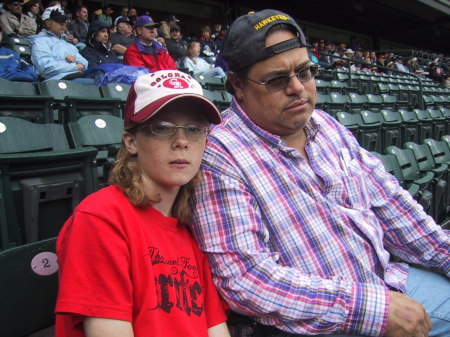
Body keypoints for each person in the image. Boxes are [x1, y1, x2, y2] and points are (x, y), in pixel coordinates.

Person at [190, 9, 450, 337]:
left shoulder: (326, 125)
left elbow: (391, 203)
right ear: (238, 86)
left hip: (388, 281)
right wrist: (373, 310)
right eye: (277, 80)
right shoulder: (220, 155)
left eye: (305, 71)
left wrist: (446, 254)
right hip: (318, 324)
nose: (298, 88)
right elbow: (246, 279)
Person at [55, 69, 231, 337]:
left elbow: (215, 329)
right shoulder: (101, 218)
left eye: (194, 129)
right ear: (131, 141)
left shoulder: (192, 226)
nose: (182, 141)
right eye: (162, 128)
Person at [31, 5, 90, 82]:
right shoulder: (40, 41)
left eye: (64, 21)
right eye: (59, 21)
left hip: (75, 77)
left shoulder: (67, 43)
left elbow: (84, 62)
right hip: (55, 81)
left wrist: (76, 62)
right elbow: (45, 67)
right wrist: (74, 66)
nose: (63, 24)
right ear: (48, 23)